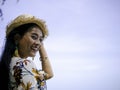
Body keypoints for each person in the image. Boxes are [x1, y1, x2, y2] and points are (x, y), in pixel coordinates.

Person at [0, 14, 54, 90]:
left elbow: (49, 74)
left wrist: (39, 43)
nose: (39, 43)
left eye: (41, 40)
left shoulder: (11, 64)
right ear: (17, 38)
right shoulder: (25, 64)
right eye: (34, 37)